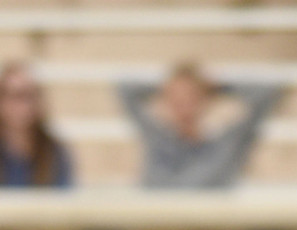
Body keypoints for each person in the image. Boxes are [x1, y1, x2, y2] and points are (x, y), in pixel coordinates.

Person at [117, 62, 284, 190]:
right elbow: (125, 88)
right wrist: (167, 85)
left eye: (190, 96)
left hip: (209, 223)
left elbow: (267, 91)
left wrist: (218, 87)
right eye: (175, 96)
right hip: (155, 222)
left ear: (205, 99)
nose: (182, 103)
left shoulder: (225, 143)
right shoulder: (156, 137)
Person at [0, 61, 73, 189]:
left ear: (38, 102)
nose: (19, 105)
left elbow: (65, 197)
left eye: (27, 95)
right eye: (11, 95)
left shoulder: (54, 152)